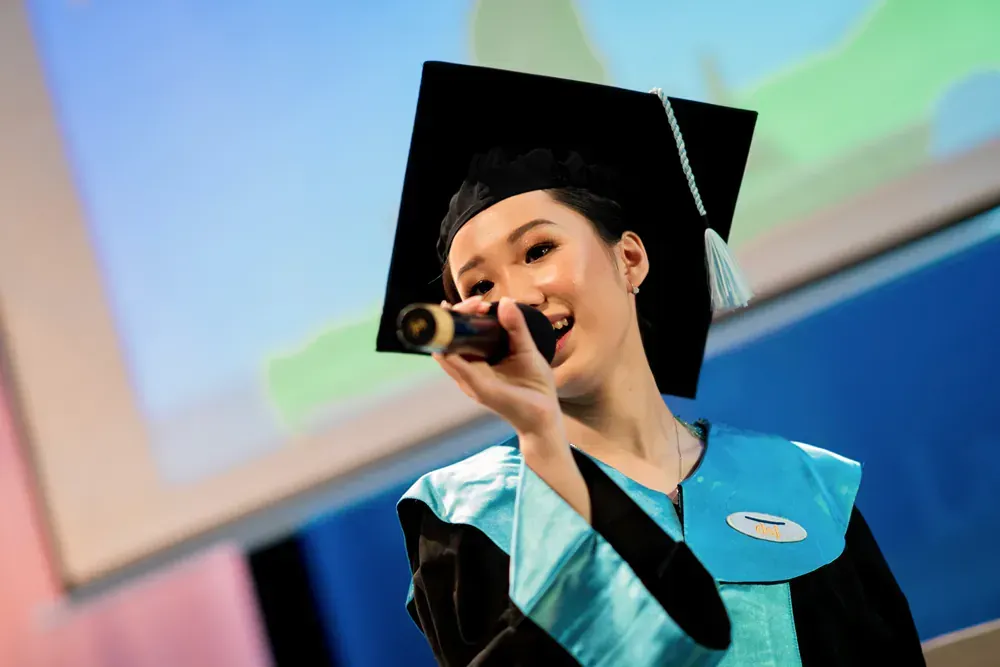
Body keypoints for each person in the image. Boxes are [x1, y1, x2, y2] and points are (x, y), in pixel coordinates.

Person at [376, 62, 926, 666]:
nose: (517, 300)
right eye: (479, 285)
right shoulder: (469, 515)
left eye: (538, 250)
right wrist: (540, 436)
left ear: (630, 259)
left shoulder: (804, 486)